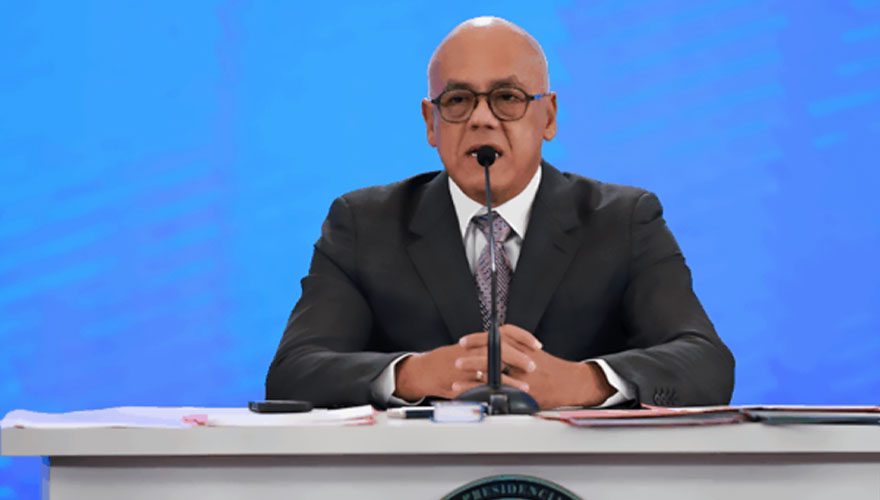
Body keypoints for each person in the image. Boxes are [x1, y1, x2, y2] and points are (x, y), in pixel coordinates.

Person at [266, 16, 734, 409]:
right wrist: (411, 374)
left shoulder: (623, 220)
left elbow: (706, 362)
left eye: (507, 98)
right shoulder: (364, 225)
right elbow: (294, 372)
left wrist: (585, 382)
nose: (481, 119)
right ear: (431, 123)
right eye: (458, 100)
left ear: (548, 116)